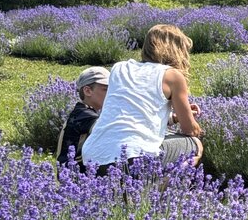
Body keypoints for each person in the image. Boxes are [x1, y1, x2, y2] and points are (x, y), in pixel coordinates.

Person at [82, 24, 204, 173]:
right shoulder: (172, 76)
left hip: (92, 156)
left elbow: (133, 110)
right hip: (134, 157)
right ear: (177, 50)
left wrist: (175, 117)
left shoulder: (120, 68)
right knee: (195, 145)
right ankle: (159, 190)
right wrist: (198, 128)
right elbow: (189, 129)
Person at [55, 66, 109, 167]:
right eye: (105, 89)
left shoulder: (81, 111)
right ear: (88, 91)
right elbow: (109, 133)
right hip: (75, 176)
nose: (110, 93)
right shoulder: (86, 116)